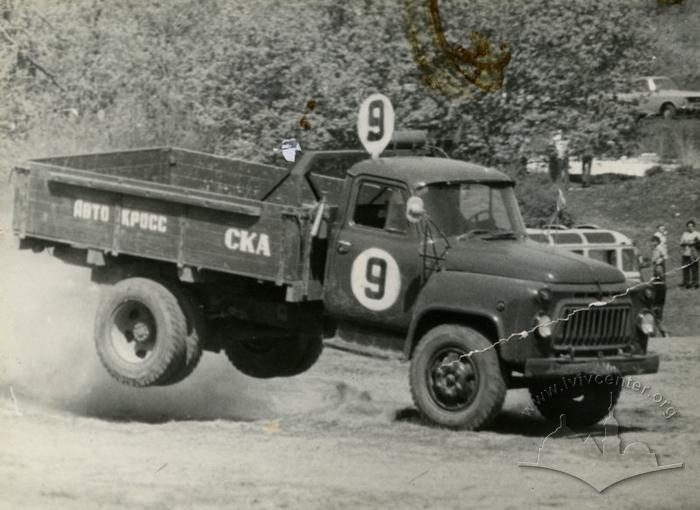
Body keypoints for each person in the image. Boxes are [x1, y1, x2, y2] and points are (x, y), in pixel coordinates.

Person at [650, 234, 668, 336]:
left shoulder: (660, 249)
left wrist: (658, 262)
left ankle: (660, 331)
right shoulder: (655, 250)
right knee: (656, 311)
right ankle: (657, 331)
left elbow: (664, 257)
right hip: (658, 281)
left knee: (656, 310)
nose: (653, 243)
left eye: (654, 241)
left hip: (659, 284)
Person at [680, 219, 700, 289]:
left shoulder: (697, 234)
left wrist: (695, 243)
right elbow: (681, 243)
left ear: (694, 227)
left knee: (694, 269)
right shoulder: (685, 234)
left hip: (694, 254)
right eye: (688, 226)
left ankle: (695, 283)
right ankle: (686, 282)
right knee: (686, 269)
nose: (690, 228)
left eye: (691, 226)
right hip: (686, 254)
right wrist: (686, 243)